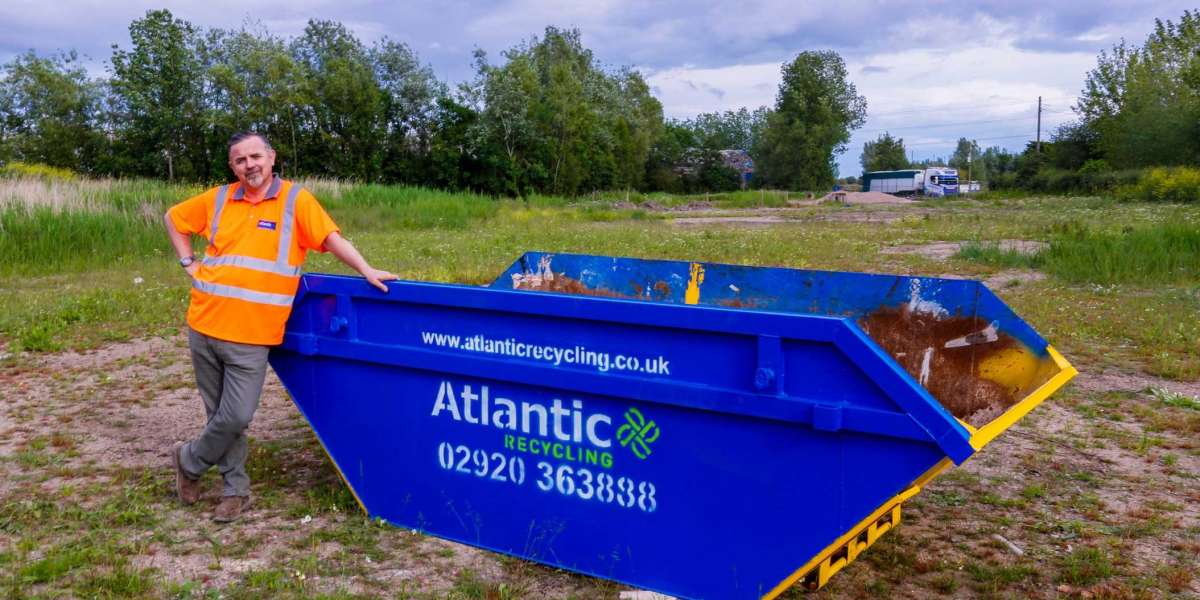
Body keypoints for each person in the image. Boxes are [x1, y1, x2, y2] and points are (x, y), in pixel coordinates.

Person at [163, 131, 396, 522]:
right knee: (217, 414)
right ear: (232, 166)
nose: (249, 165)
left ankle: (189, 459)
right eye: (240, 160)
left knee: (235, 415)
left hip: (252, 335)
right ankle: (235, 490)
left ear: (271, 158)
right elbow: (174, 218)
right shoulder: (219, 198)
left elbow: (330, 237)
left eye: (255, 156)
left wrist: (366, 269)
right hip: (203, 324)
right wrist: (189, 263)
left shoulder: (294, 200)